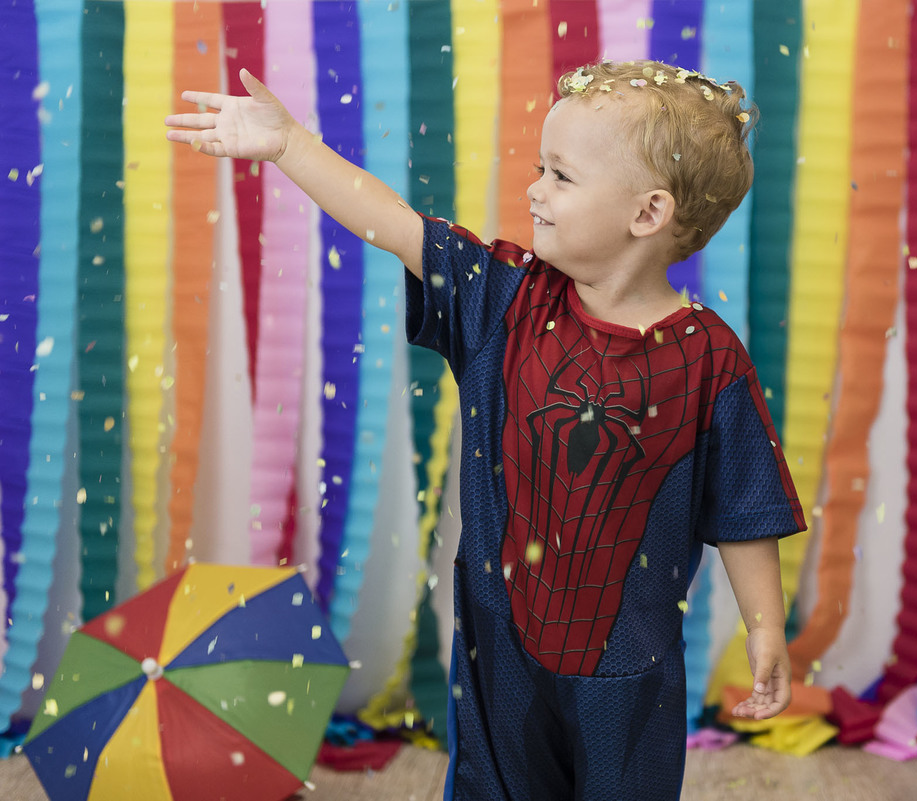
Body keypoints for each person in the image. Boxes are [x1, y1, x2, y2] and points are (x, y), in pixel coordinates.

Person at [167, 58, 806, 801]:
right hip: (499, 647)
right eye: (542, 166)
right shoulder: (505, 299)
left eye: (561, 176)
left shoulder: (710, 360)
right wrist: (288, 146)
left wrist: (764, 627)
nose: (534, 188)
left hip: (631, 668)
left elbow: (743, 510)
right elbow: (396, 227)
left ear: (648, 212)